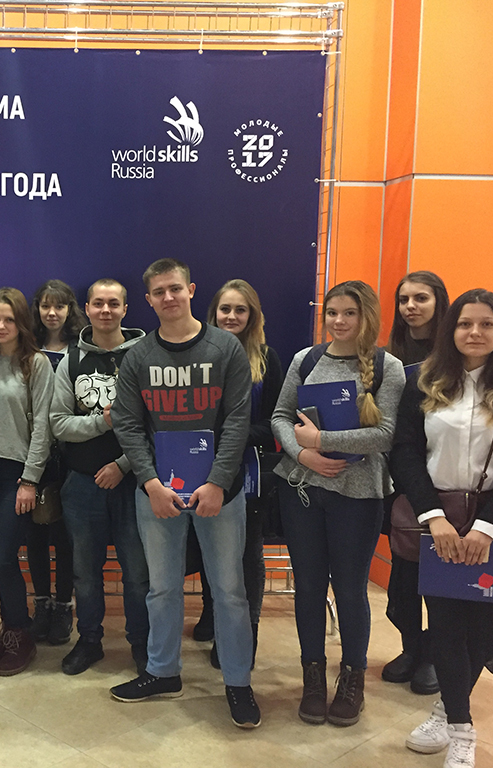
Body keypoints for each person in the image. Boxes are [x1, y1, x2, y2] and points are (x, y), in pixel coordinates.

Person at [112, 258, 261, 729]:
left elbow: (237, 421)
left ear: (191, 290)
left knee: (230, 591)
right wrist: (150, 483)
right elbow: (128, 424)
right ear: (149, 300)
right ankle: (162, 672)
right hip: (159, 493)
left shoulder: (225, 348)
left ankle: (238, 682)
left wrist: (217, 482)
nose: (168, 297)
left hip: (220, 494)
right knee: (161, 588)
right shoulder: (138, 356)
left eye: (175, 288)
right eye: (159, 292)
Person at [391, 289, 493, 768]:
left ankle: (443, 708)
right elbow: (405, 453)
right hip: (437, 523)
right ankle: (461, 730)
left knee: (489, 629)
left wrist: (486, 527)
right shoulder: (424, 381)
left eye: (486, 324)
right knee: (448, 625)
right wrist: (434, 517)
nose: (475, 332)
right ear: (450, 330)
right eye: (465, 324)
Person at [271, 280, 405, 727]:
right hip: (302, 491)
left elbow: (385, 435)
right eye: (332, 312)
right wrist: (303, 452)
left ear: (367, 316)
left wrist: (322, 438)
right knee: (309, 587)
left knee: (349, 589)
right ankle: (312, 677)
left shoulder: (388, 367)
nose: (339, 321)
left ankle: (352, 679)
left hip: (359, 496)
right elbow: (280, 416)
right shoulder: (305, 360)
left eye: (350, 313)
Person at [49, 278, 150, 675]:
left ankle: (141, 644)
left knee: (137, 574)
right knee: (85, 573)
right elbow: (59, 423)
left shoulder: (145, 355)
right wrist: (103, 422)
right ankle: (89, 641)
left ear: (125, 309)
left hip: (136, 482)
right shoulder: (71, 360)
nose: (105, 310)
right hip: (81, 483)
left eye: (113, 303)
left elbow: (156, 423)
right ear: (87, 309)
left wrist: (122, 465)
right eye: (98, 303)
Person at [190, 279, 284, 667]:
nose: (231, 316)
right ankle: (212, 612)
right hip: (199, 468)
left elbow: (277, 421)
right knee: (206, 546)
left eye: (240, 310)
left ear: (252, 316)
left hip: (249, 472)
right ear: (213, 314)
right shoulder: (196, 355)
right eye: (225, 309)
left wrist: (231, 438)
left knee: (246, 555)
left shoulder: (267, 358)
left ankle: (247, 632)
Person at [0, 287, 54, 676]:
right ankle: (8, 630)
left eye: (9, 319)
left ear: (21, 322)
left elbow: (44, 428)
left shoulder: (37, 364)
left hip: (17, 475)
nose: (1, 326)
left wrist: (30, 480)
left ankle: (21, 635)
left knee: (2, 558)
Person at [382, 271, 450, 695]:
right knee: (404, 575)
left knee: (440, 576)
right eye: (404, 299)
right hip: (400, 478)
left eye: (420, 298)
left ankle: (434, 655)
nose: (410, 307)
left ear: (439, 302)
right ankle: (411, 646)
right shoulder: (390, 355)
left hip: (445, 478)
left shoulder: (454, 354)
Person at [27, 279, 85, 645]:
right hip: (32, 455)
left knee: (65, 538)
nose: (52, 313)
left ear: (69, 310)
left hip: (70, 456)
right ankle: (41, 605)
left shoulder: (81, 349)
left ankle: (64, 606)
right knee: (35, 535)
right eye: (45, 306)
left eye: (59, 306)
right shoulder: (27, 348)